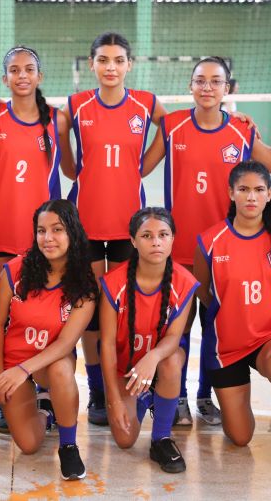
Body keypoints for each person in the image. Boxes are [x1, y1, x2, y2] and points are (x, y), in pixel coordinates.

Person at [142, 57, 271, 426]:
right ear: (190, 86)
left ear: (228, 89)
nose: (207, 87)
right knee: (176, 329)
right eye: (200, 81)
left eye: (216, 81)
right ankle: (176, 396)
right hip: (178, 251)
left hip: (225, 252)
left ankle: (204, 395)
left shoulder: (242, 132)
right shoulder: (171, 126)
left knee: (215, 327)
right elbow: (139, 165)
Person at [64, 32, 168, 426]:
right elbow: (50, 132)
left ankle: (140, 384)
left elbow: (174, 125)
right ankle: (96, 390)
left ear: (130, 65)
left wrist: (145, 165)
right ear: (91, 64)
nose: (111, 67)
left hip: (132, 228)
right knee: (91, 314)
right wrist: (73, 169)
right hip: (87, 225)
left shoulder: (146, 103)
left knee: (132, 311)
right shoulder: (76, 105)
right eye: (103, 60)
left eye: (119, 60)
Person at [193, 161, 271, 470]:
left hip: (270, 336)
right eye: (243, 189)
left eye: (259, 190)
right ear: (230, 193)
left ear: (270, 194)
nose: (251, 197)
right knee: (240, 436)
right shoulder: (210, 241)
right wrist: (232, 310)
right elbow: (204, 293)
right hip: (227, 344)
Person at [0, 45, 73, 434]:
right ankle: (4, 394)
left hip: (46, 238)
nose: (22, 75)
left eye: (29, 69)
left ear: (40, 76)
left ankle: (48, 392)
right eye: (14, 70)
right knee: (4, 318)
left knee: (50, 314)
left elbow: (71, 166)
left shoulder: (58, 120)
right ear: (5, 79)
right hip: (1, 231)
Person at [0, 200, 97, 481]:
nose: (47, 238)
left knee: (62, 368)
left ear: (72, 233)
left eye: (57, 230)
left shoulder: (83, 283)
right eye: (41, 230)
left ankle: (69, 445)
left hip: (49, 362)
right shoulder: (15, 270)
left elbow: (65, 344)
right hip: (15, 361)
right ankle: (47, 413)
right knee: (28, 445)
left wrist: (23, 370)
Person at [100, 207, 199, 473]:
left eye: (163, 234)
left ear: (173, 239)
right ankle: (144, 397)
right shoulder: (114, 283)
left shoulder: (185, 282)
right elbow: (107, 345)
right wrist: (115, 400)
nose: (156, 241)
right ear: (133, 241)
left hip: (156, 363)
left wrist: (152, 357)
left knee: (171, 361)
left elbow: (174, 337)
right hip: (126, 369)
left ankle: (161, 438)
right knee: (125, 440)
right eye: (147, 235)